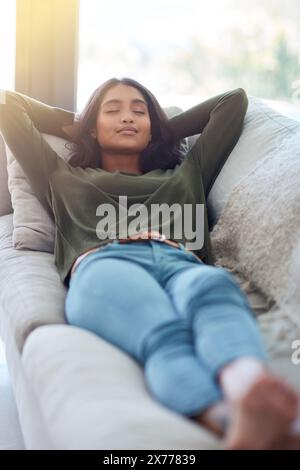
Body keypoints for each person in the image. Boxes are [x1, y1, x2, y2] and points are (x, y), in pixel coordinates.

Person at [0, 77, 299, 450]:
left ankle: (251, 391)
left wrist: (163, 126)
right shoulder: (62, 177)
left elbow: (233, 102)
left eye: (138, 112)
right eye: (113, 111)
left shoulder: (188, 172)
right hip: (106, 265)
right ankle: (228, 419)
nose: (128, 118)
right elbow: (10, 106)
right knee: (165, 334)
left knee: (214, 292)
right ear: (92, 127)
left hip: (182, 263)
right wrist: (80, 126)